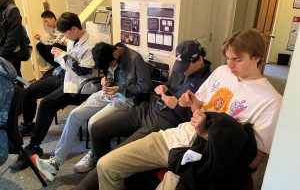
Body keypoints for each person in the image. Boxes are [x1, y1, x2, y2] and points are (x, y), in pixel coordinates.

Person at [94, 29, 282, 190]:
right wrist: (190, 101)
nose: (230, 65)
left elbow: (253, 160)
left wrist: (207, 136)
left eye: (237, 59)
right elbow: (198, 105)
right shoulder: (222, 72)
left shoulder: (271, 101)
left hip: (204, 157)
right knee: (106, 166)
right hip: (177, 136)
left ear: (256, 57)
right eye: (228, 58)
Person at [32, 40, 212, 184]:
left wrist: (178, 106)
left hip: (163, 119)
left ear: (199, 60)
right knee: (97, 127)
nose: (182, 71)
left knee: (113, 155)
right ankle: (94, 166)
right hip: (149, 109)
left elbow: (194, 119)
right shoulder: (182, 69)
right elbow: (172, 87)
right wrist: (164, 88)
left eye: (185, 67)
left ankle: (98, 175)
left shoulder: (209, 82)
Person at [31, 41, 152, 181]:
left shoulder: (135, 58)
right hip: (109, 93)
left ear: (115, 54)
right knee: (75, 114)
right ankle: (54, 163)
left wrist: (120, 89)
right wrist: (104, 81)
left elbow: (145, 87)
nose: (111, 66)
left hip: (126, 99)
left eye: (111, 64)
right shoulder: (108, 52)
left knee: (94, 123)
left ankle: (94, 155)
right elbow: (109, 74)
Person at [9, 12, 99, 170]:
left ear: (74, 29)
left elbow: (82, 71)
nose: (64, 36)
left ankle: (34, 146)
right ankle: (29, 125)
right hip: (66, 76)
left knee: (46, 103)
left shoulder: (92, 44)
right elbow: (64, 54)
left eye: (65, 33)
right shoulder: (73, 38)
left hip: (80, 86)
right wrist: (58, 53)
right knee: (29, 91)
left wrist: (62, 55)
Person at [0, 0, 23, 76]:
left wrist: (1, 53)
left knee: (15, 80)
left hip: (11, 54)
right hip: (2, 53)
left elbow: (14, 39)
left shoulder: (11, 10)